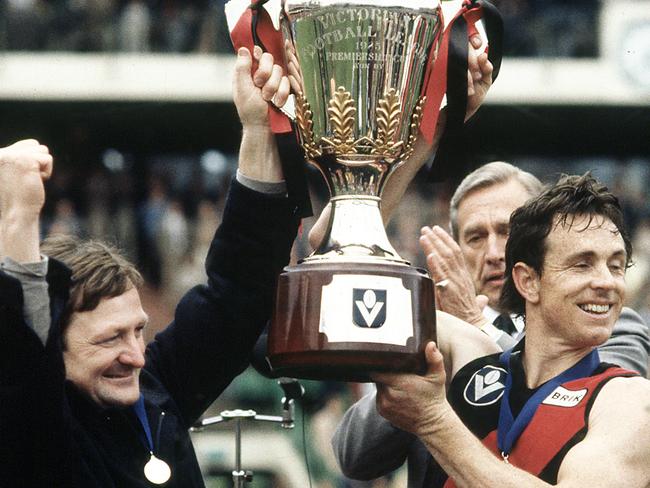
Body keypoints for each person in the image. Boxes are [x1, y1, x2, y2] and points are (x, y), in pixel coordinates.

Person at [0, 46, 298, 487]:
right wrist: (18, 218)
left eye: (137, 330)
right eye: (110, 339)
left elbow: (237, 293)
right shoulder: (28, 429)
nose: (136, 356)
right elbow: (21, 367)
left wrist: (258, 128)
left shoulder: (156, 392)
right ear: (53, 346)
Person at [331, 163, 650, 487]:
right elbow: (354, 455)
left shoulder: (617, 354)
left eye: (507, 232)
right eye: (476, 237)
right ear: (527, 278)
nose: (497, 253)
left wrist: (435, 419)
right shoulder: (454, 340)